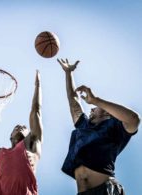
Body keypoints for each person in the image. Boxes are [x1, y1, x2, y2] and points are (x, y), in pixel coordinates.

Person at [57, 58, 140, 195]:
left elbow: (134, 119)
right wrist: (68, 73)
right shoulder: (84, 125)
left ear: (107, 113)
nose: (91, 109)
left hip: (106, 190)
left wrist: (97, 100)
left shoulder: (114, 128)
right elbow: (73, 101)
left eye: (95, 108)